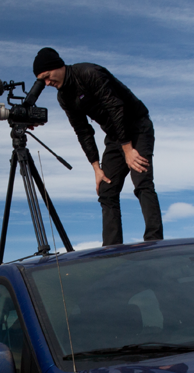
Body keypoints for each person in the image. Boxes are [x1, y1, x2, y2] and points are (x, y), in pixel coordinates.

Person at [32, 47, 162, 246]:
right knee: (106, 190)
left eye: (47, 76)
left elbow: (115, 108)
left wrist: (128, 149)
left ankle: (154, 242)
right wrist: (96, 167)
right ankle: (111, 249)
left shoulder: (89, 73)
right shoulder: (64, 97)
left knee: (141, 180)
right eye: (43, 81)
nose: (47, 83)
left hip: (136, 126)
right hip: (115, 136)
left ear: (58, 66)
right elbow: (82, 131)